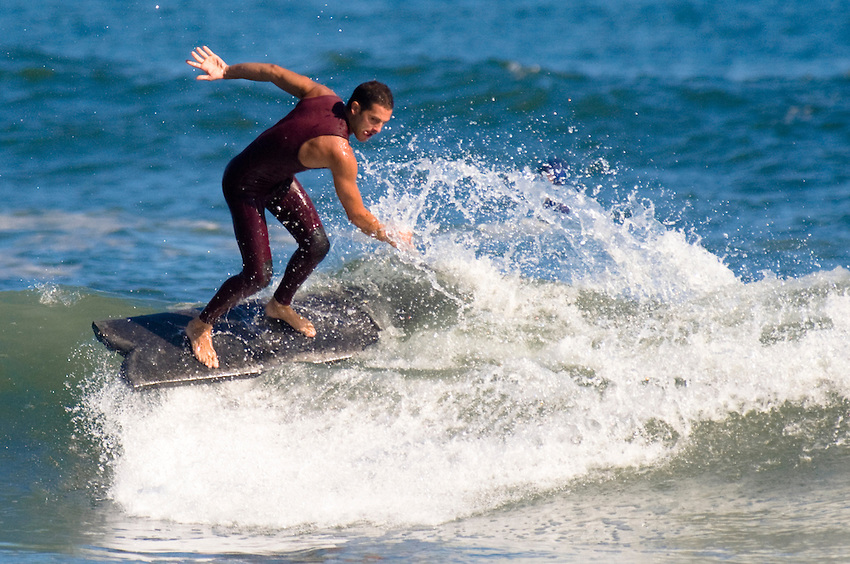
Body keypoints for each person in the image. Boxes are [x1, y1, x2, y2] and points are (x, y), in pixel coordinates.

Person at [184, 46, 411, 369]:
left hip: (275, 180)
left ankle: (279, 305)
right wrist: (389, 234)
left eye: (383, 123)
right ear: (356, 108)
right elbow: (357, 215)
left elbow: (274, 72)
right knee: (257, 275)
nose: (377, 129)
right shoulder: (340, 151)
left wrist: (228, 70)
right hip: (243, 185)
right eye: (374, 120)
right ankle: (200, 325)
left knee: (317, 244)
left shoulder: (323, 95)